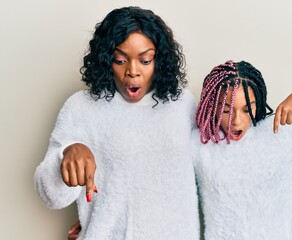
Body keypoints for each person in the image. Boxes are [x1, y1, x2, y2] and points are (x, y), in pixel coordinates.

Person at [34, 6, 200, 240]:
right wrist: (65, 155)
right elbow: (51, 197)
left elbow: (214, 167)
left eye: (145, 60)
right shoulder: (82, 107)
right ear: (105, 59)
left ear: (159, 60)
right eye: (120, 60)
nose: (132, 72)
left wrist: (267, 124)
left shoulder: (182, 105)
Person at [192, 60, 292, 239]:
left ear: (258, 103)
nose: (236, 121)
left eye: (246, 109)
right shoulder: (199, 146)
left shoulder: (278, 132)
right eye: (227, 111)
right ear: (212, 107)